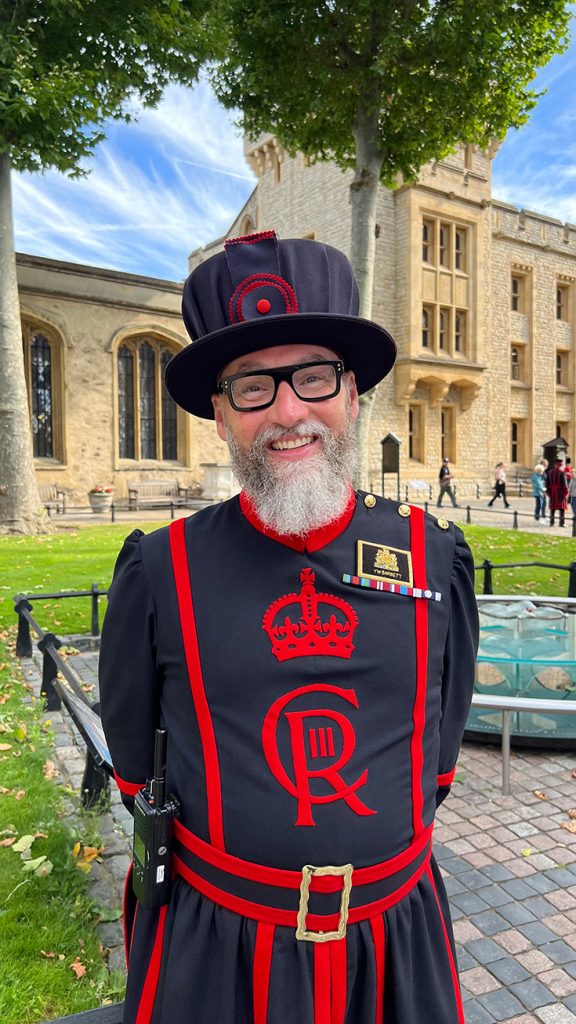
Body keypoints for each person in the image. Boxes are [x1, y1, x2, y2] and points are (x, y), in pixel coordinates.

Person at [99, 230, 479, 1024]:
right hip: (216, 951)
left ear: (351, 392)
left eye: (313, 377)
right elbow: (135, 774)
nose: (288, 412)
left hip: (394, 943)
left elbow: (437, 759)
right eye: (252, 388)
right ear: (219, 412)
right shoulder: (161, 572)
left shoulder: (432, 555)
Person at [547, 457, 569, 527]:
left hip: (553, 493)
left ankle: (551, 522)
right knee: (561, 509)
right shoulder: (562, 473)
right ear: (560, 465)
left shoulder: (550, 473)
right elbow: (565, 485)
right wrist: (565, 493)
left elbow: (547, 484)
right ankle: (561, 523)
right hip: (560, 493)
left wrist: (549, 493)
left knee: (552, 509)